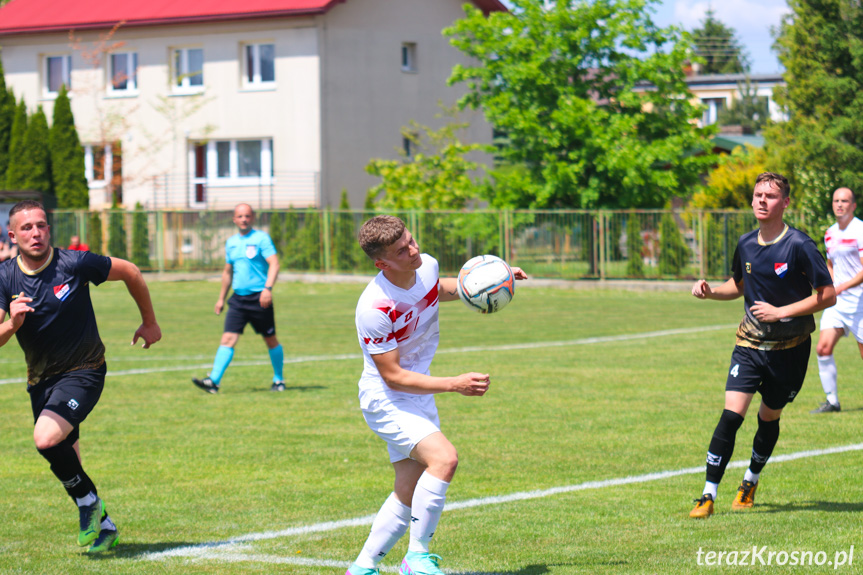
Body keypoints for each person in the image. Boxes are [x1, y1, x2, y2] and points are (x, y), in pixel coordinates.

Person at [345, 215, 527, 575]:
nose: (413, 250)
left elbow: (436, 289)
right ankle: (416, 558)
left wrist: (491, 279)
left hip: (417, 394)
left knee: (408, 490)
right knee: (444, 459)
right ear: (382, 263)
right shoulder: (374, 309)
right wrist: (454, 383)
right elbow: (393, 376)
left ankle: (363, 567)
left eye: (412, 241)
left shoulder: (425, 265)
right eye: (402, 250)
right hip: (386, 398)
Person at [0, 200, 161, 552]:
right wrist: (12, 323)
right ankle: (105, 527)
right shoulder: (4, 278)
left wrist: (149, 321)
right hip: (41, 380)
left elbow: (131, 271)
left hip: (85, 370)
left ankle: (89, 506)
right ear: (12, 235)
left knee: (45, 439)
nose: (36, 233)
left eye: (41, 225)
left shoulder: (75, 262)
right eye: (26, 228)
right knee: (68, 460)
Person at [689, 172, 835, 519]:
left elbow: (827, 296)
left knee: (768, 417)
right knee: (730, 416)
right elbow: (737, 285)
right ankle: (707, 495)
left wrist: (781, 311)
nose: (761, 201)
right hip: (749, 344)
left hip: (791, 350)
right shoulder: (746, 243)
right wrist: (711, 292)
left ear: (785, 202)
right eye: (757, 195)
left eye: (770, 196)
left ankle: (750, 481)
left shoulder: (800, 245)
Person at [192, 203, 284, 393]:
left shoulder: (261, 239)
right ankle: (213, 382)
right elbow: (228, 272)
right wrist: (221, 298)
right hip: (238, 300)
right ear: (234, 219)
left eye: (247, 216)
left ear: (253, 218)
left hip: (260, 298)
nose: (244, 219)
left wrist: (268, 288)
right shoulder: (231, 242)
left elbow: (274, 264)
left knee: (270, 339)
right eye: (240, 216)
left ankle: (278, 380)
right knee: (227, 338)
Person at [812, 187, 863, 413]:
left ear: (853, 205)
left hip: (859, 302)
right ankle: (832, 401)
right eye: (836, 200)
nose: (839, 204)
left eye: (845, 201)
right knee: (823, 348)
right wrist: (829, 286)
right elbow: (831, 264)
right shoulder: (830, 232)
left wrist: (842, 286)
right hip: (838, 303)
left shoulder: (860, 230)